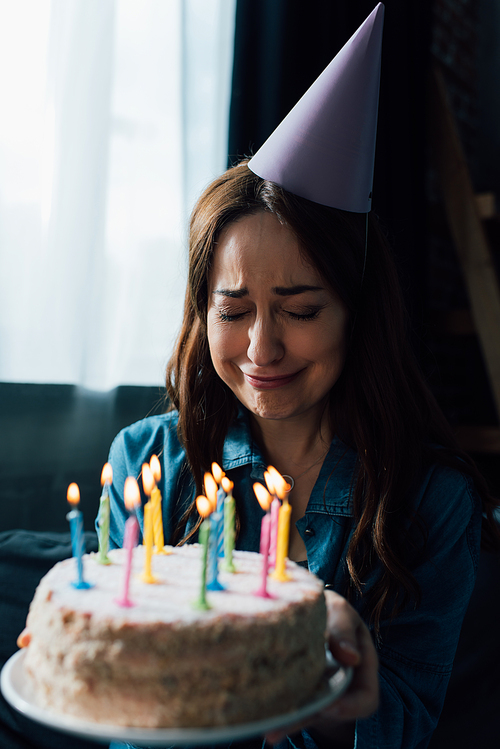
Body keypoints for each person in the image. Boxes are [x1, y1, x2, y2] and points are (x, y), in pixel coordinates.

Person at [104, 5, 499, 748]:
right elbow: (122, 698)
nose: (262, 347)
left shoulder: (432, 504)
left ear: (357, 313)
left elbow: (401, 720)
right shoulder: (146, 465)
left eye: (300, 308)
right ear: (201, 316)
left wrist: (326, 667)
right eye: (234, 309)